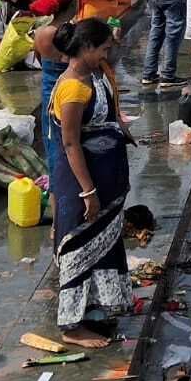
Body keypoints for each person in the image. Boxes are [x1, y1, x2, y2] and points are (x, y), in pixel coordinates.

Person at [50, 18, 136, 348]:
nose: (106, 54)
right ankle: (71, 327)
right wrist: (88, 191)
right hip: (83, 182)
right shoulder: (73, 89)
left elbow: (107, 114)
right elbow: (71, 143)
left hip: (107, 176)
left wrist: (120, 131)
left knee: (102, 246)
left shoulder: (94, 76)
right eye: (102, 49)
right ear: (85, 47)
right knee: (80, 249)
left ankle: (95, 310)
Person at [27, 0, 80, 173]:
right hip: (67, 91)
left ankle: (55, 178)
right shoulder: (69, 34)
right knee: (70, 137)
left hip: (48, 89)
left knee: (51, 137)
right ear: (72, 5)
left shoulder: (41, 32)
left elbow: (40, 59)